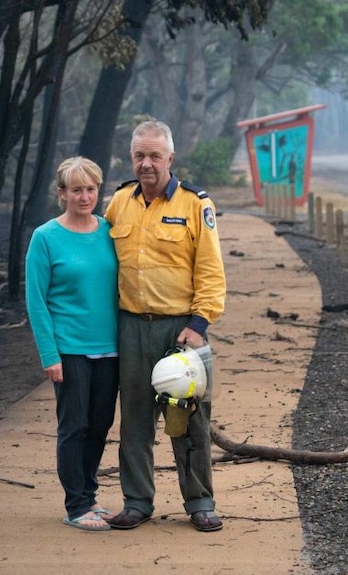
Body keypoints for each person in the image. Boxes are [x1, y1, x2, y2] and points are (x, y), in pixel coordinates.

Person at [104, 120, 227, 532]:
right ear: (131, 158)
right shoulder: (119, 202)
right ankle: (137, 501)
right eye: (139, 155)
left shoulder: (195, 205)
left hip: (182, 331)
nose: (146, 164)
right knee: (135, 420)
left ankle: (200, 502)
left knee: (189, 421)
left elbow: (211, 272)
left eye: (155, 156)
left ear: (170, 159)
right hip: (132, 328)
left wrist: (198, 325)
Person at [25, 156, 120, 532]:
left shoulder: (110, 231)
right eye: (77, 190)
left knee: (100, 425)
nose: (85, 196)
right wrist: (50, 355)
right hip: (69, 348)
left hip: (111, 347)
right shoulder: (46, 237)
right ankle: (76, 505)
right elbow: (36, 300)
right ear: (62, 193)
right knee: (74, 425)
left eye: (91, 189)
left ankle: (90, 496)